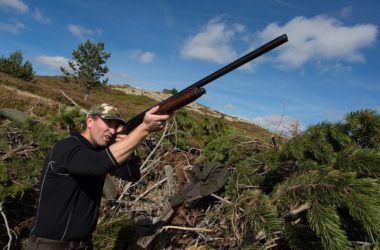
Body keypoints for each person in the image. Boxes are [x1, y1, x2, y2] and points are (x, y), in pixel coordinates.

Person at [23, 103, 170, 250]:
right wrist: (143, 129)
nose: (112, 130)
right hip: (50, 245)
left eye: (116, 126)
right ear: (90, 121)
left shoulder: (99, 152)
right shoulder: (68, 147)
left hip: (84, 244)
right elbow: (97, 165)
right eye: (108, 123)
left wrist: (126, 149)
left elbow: (131, 175)